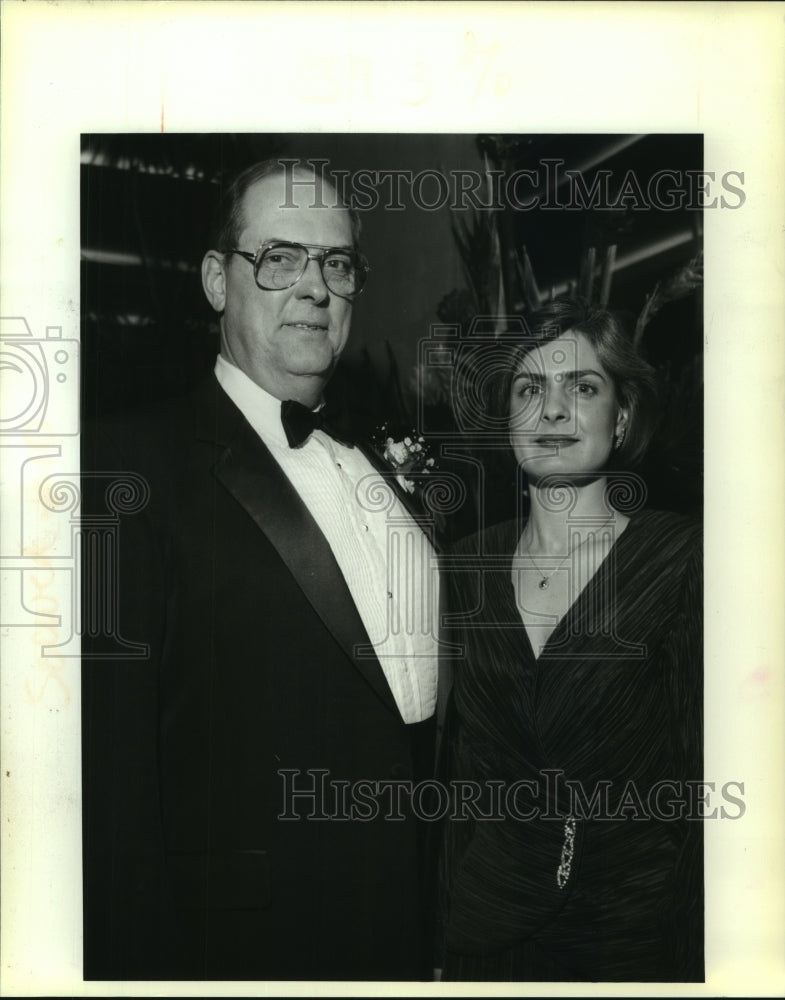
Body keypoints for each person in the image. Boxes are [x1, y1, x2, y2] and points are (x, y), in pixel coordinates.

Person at [81, 158, 440, 981]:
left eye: (337, 263)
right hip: (244, 950)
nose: (314, 287)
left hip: (410, 930)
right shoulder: (121, 468)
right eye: (279, 257)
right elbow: (107, 785)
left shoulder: (381, 463)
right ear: (217, 279)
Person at [438, 298, 703, 981]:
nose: (552, 411)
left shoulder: (680, 560)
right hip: (485, 940)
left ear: (620, 416)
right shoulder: (463, 568)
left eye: (581, 387)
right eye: (530, 389)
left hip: (631, 943)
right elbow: (458, 785)